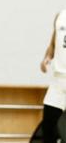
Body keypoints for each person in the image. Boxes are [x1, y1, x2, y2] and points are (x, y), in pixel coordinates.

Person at [40, 10, 66, 143]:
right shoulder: (60, 15)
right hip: (58, 81)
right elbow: (53, 44)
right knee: (48, 125)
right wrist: (47, 58)